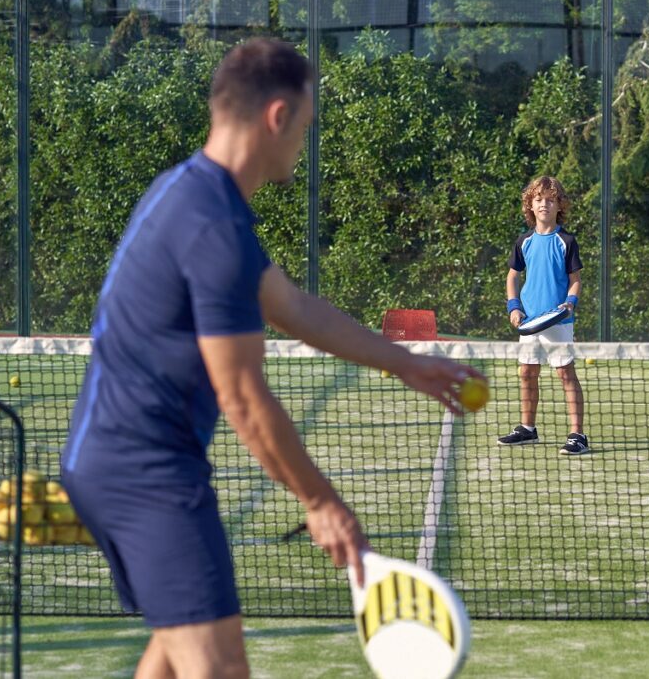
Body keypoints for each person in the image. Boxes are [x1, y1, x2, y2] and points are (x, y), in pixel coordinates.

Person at [59, 38, 482, 679]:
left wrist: (404, 363)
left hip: (117, 466)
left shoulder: (194, 196)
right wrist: (320, 501)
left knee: (172, 660)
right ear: (277, 117)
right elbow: (244, 399)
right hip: (146, 477)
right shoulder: (213, 227)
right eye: (305, 127)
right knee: (220, 671)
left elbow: (295, 308)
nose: (302, 145)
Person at [497, 175, 589, 456]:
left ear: (559, 205)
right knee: (527, 372)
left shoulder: (566, 241)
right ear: (531, 205)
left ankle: (578, 435)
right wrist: (514, 307)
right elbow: (512, 277)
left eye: (550, 200)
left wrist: (570, 302)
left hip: (558, 322)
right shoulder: (523, 241)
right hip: (529, 323)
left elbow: (575, 279)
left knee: (565, 373)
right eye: (538, 200)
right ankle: (527, 428)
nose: (544, 204)